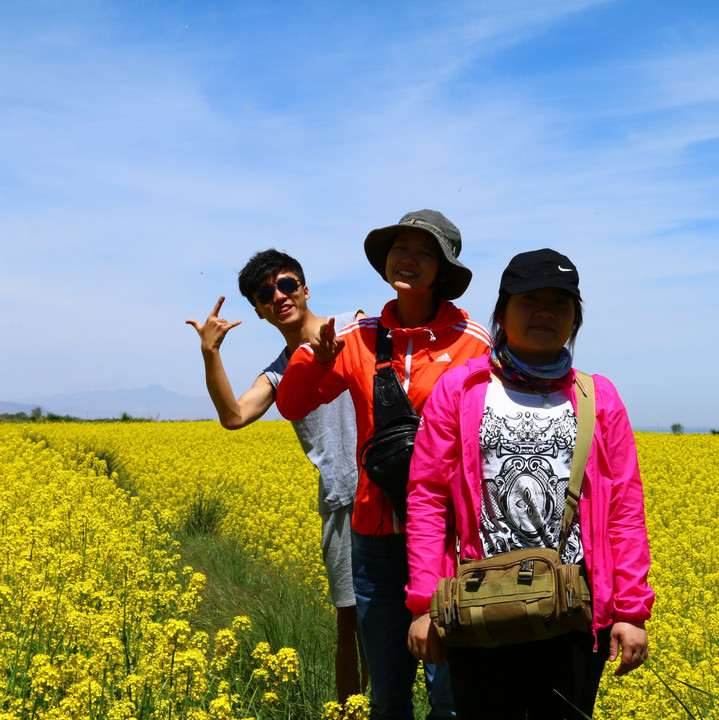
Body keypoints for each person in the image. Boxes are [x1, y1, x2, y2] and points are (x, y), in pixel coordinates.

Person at [404, 248, 654, 720]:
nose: (544, 311)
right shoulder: (459, 389)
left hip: (574, 610)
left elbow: (624, 508)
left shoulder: (599, 397)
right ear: (501, 312)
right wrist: (423, 604)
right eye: (529, 299)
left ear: (576, 319)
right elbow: (428, 501)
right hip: (482, 603)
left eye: (560, 303)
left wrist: (631, 611)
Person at [276, 210, 491, 720]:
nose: (407, 259)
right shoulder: (356, 336)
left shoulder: (474, 341)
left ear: (443, 269)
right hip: (375, 538)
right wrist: (317, 359)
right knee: (388, 694)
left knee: (450, 694)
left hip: (447, 538)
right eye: (400, 249)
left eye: (423, 251)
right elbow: (292, 403)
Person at [185, 249, 366, 706]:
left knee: (428, 614)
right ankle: (353, 715)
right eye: (266, 294)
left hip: (399, 493)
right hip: (342, 502)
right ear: (260, 312)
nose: (279, 296)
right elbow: (233, 415)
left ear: (304, 288)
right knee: (351, 627)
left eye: (286, 285)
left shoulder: (355, 325)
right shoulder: (279, 373)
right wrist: (210, 353)